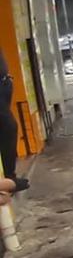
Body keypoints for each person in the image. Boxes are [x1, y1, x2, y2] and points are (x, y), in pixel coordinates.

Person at [0, 45, 29, 193]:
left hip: (3, 83)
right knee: (8, 127)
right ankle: (8, 179)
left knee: (7, 130)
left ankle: (8, 177)